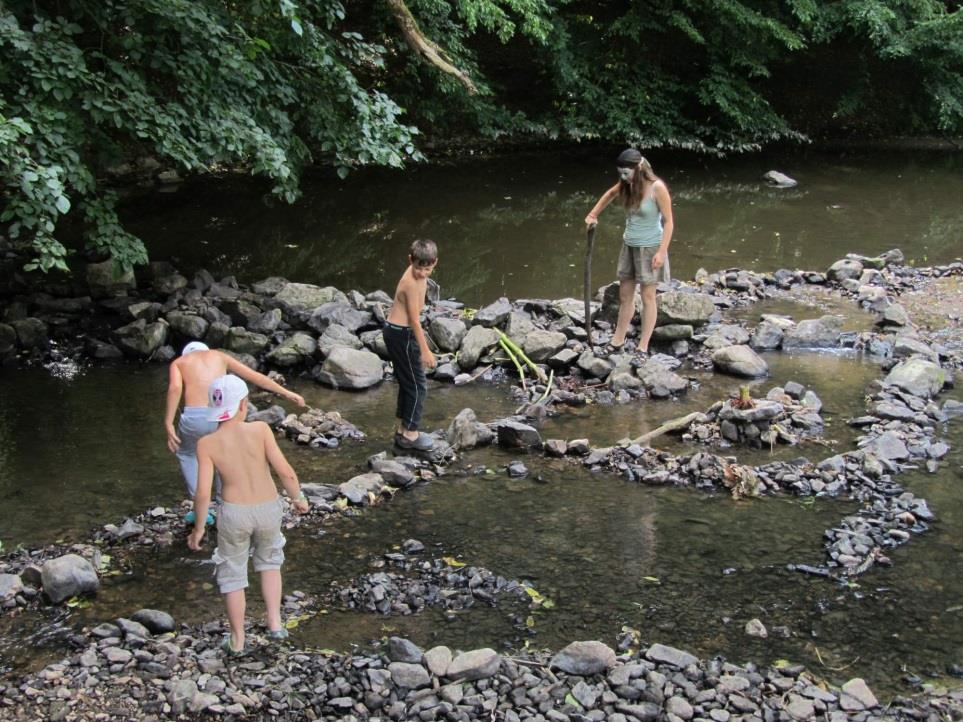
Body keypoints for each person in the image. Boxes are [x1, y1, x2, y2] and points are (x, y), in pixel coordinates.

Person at [186, 374, 310, 655]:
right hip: (268, 508)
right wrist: (298, 498)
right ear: (243, 405)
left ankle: (238, 638)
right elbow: (285, 470)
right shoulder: (261, 430)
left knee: (232, 574)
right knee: (269, 562)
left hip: (233, 514)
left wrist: (199, 528)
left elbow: (202, 492)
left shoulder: (207, 443)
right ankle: (275, 623)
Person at [164, 341, 306, 522]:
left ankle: (202, 509)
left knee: (188, 454)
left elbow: (175, 388)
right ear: (206, 350)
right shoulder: (219, 356)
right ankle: (224, 502)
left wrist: (168, 423)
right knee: (224, 451)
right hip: (222, 414)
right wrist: (287, 393)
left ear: (186, 353)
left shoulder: (180, 362)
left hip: (194, 417)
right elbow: (255, 376)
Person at [584, 149, 675, 355]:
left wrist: (662, 252)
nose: (623, 177)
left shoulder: (656, 188)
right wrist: (592, 214)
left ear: (639, 168)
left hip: (650, 247)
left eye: (626, 173)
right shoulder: (627, 184)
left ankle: (643, 347)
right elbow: (610, 194)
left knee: (647, 296)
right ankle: (617, 341)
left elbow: (669, 222)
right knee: (625, 296)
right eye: (620, 173)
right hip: (630, 245)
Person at [384, 239, 438, 451]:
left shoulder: (419, 274)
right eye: (418, 268)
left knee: (407, 382)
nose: (423, 273)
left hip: (396, 332)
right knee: (418, 386)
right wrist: (425, 351)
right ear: (410, 261)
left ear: (435, 263)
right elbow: (414, 320)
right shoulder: (409, 283)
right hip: (401, 334)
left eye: (428, 269)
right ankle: (411, 434)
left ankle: (402, 428)